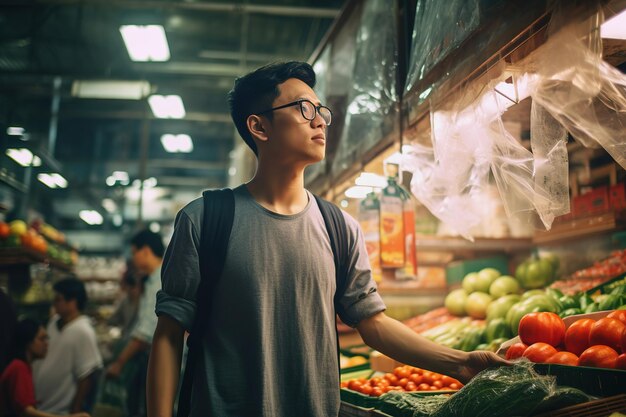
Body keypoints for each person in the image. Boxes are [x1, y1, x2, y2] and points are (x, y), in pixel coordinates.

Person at [147, 61, 509, 417]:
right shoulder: (205, 219)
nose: (319, 120)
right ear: (259, 126)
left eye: (321, 110)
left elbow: (375, 325)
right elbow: (168, 334)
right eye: (304, 108)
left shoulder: (339, 227)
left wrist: (461, 364)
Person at [106, 230, 163, 417]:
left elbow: (146, 333)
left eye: (134, 252)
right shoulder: (153, 279)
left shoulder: (158, 281)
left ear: (145, 251)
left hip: (161, 362)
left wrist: (119, 363)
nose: (133, 258)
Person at [33, 278, 102, 415]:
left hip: (61, 411)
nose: (54, 304)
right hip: (43, 406)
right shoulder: (53, 323)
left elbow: (86, 376)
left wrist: (76, 409)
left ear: (73, 302)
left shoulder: (83, 331)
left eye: (58, 299)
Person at [1, 318, 90, 417]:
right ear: (28, 341)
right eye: (42, 339)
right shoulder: (18, 367)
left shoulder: (24, 366)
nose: (46, 343)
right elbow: (27, 412)